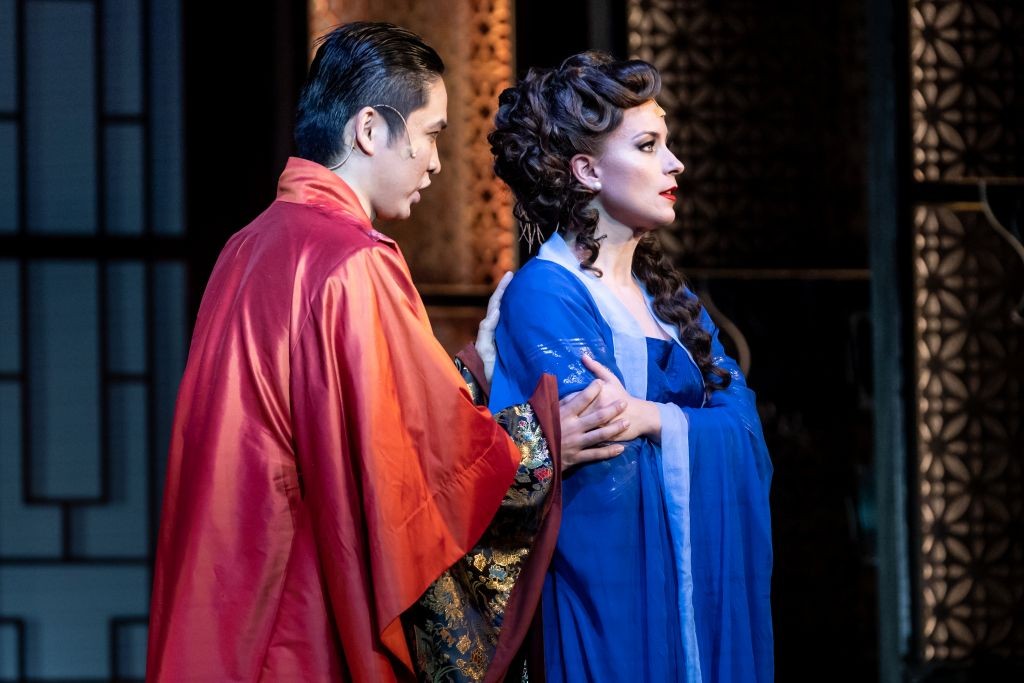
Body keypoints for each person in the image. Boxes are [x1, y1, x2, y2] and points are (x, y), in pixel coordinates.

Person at [146, 24, 626, 682]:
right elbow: (410, 473)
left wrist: (472, 370)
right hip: (301, 616)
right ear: (371, 129)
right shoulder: (355, 261)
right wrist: (536, 442)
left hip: (230, 598)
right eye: (431, 134)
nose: (436, 163)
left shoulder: (247, 246)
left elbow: (345, 420)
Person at [486, 52, 774, 682]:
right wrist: (675, 423)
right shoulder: (547, 292)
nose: (675, 163)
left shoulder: (669, 297)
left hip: (686, 599)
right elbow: (604, 462)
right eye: (648, 146)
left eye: (666, 143)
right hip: (609, 609)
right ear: (587, 170)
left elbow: (745, 423)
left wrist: (651, 418)